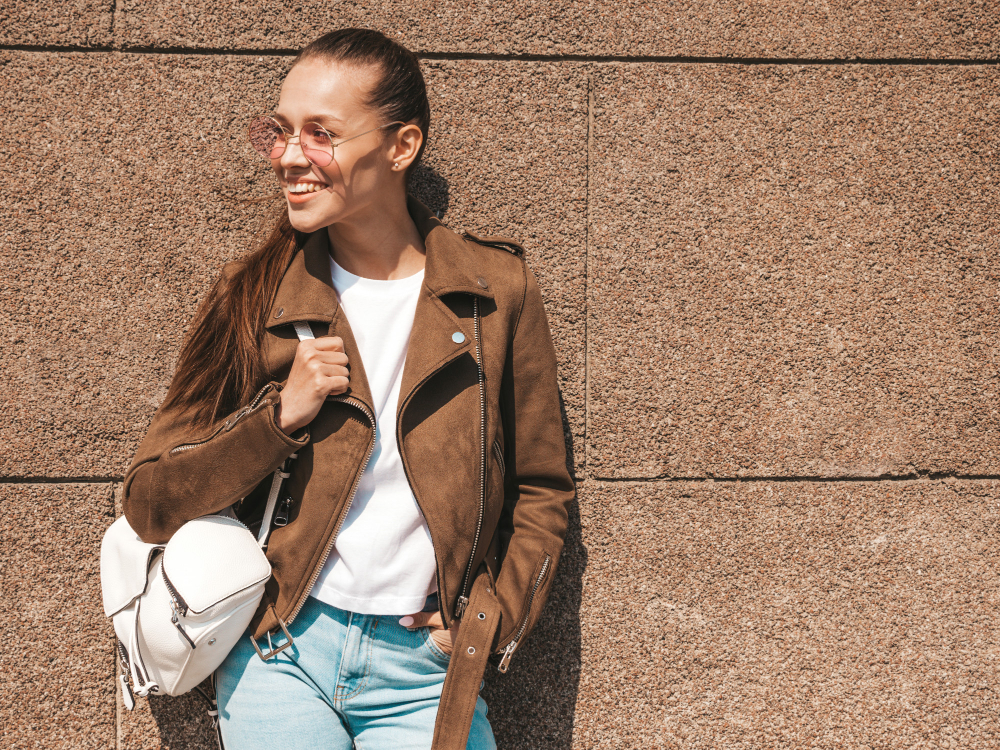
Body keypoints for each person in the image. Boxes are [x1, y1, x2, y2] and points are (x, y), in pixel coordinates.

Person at [121, 27, 574, 750]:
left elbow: (544, 488)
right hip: (282, 654)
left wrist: (494, 620)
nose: (289, 156)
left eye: (320, 134)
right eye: (280, 130)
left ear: (402, 147)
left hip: (426, 671)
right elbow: (148, 499)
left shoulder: (495, 293)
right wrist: (278, 419)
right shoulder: (255, 296)